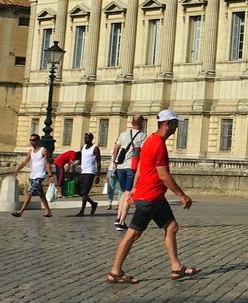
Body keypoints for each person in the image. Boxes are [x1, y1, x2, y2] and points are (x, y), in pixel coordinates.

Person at [107, 109, 197, 283]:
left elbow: (141, 165)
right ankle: (115, 272)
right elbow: (163, 175)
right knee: (133, 234)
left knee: (171, 227)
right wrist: (182, 195)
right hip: (149, 197)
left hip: (155, 196)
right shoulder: (157, 144)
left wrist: (134, 188)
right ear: (168, 124)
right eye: (176, 123)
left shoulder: (151, 140)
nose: (177, 127)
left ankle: (176, 268)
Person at [112, 115, 147, 232]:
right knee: (128, 194)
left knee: (122, 192)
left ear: (132, 123)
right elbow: (143, 154)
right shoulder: (142, 136)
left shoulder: (123, 134)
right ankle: (122, 222)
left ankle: (118, 218)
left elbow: (115, 149)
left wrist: (114, 164)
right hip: (131, 168)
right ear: (142, 123)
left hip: (120, 166)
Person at [11, 134, 53, 218]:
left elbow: (47, 163)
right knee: (41, 194)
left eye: (33, 140)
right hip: (33, 175)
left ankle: (20, 212)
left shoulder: (43, 150)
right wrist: (17, 168)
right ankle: (48, 210)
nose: (31, 142)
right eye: (30, 140)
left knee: (29, 193)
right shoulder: (30, 152)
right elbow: (24, 162)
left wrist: (50, 174)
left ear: (37, 141)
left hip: (40, 175)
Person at [74, 133, 101, 216]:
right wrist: (75, 165)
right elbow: (83, 159)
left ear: (91, 139)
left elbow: (98, 162)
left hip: (90, 172)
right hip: (83, 172)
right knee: (78, 191)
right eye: (85, 138)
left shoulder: (95, 148)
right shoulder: (83, 148)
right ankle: (93, 204)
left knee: (85, 192)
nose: (85, 140)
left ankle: (82, 211)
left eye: (87, 138)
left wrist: (97, 175)